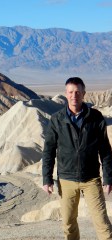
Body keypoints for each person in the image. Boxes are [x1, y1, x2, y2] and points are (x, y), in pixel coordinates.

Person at [42, 77, 112, 240]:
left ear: (83, 94)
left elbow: (106, 151)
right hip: (66, 179)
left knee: (102, 223)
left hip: (91, 179)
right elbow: (49, 151)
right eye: (71, 92)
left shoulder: (95, 118)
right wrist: (47, 179)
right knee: (68, 223)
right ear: (66, 94)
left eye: (78, 92)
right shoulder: (57, 120)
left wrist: (108, 178)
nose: (74, 95)